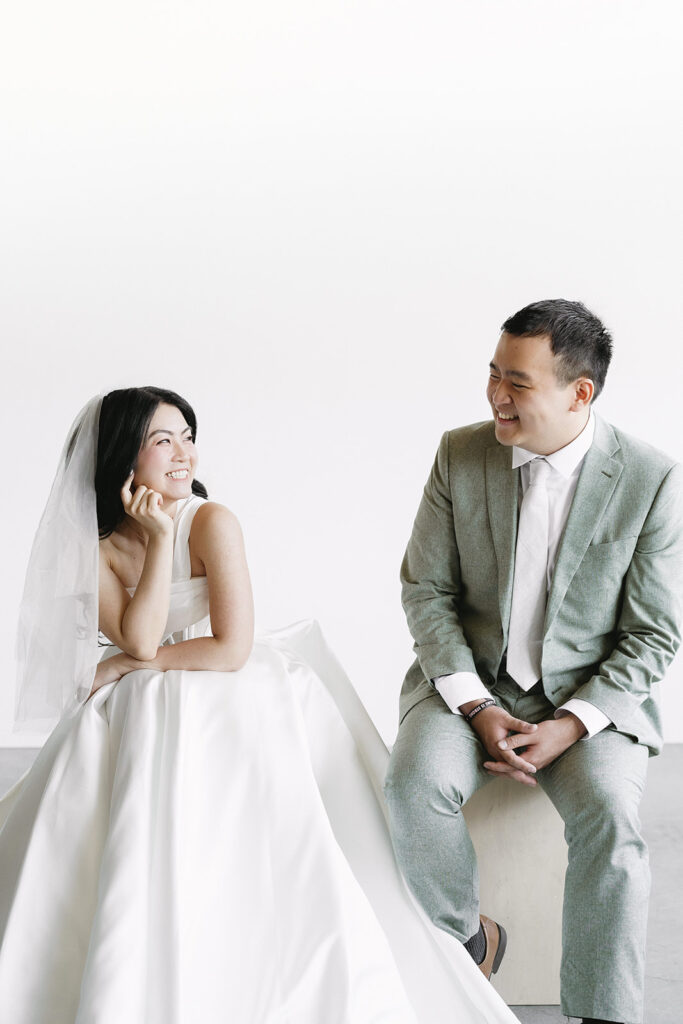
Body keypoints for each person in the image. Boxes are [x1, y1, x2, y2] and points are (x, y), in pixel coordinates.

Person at [0, 386, 520, 1024]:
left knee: (193, 728)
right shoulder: (100, 540)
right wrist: (158, 540)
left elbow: (230, 648)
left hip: (229, 679)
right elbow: (138, 635)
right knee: (112, 736)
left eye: (188, 436)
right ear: (121, 455)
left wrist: (125, 663)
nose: (183, 453)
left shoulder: (215, 520)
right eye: (162, 439)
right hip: (150, 683)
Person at [384, 299, 683, 1024]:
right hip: (468, 683)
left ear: (578, 392)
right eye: (492, 374)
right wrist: (477, 707)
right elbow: (426, 590)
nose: (494, 395)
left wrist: (572, 725)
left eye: (515, 382)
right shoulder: (460, 452)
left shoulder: (649, 479)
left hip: (590, 704)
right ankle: (467, 938)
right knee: (412, 787)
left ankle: (603, 1014)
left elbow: (652, 635)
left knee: (612, 825)